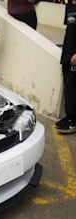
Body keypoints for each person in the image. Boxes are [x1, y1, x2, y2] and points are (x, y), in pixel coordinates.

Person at [55, 0, 76, 133]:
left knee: (72, 87)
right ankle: (69, 117)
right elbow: (69, 29)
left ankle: (73, 120)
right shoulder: (69, 5)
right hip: (67, 53)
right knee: (68, 86)